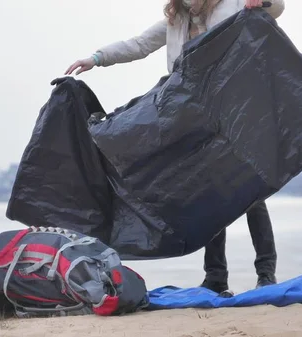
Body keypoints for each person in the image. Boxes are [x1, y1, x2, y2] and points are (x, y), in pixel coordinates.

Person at [65, 0, 285, 293]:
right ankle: (216, 278)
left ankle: (266, 274)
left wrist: (262, 1)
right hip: (196, 118)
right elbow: (139, 45)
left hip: (236, 110)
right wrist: (97, 57)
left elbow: (276, 7)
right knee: (212, 197)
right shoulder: (175, 21)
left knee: (252, 195)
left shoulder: (232, 6)